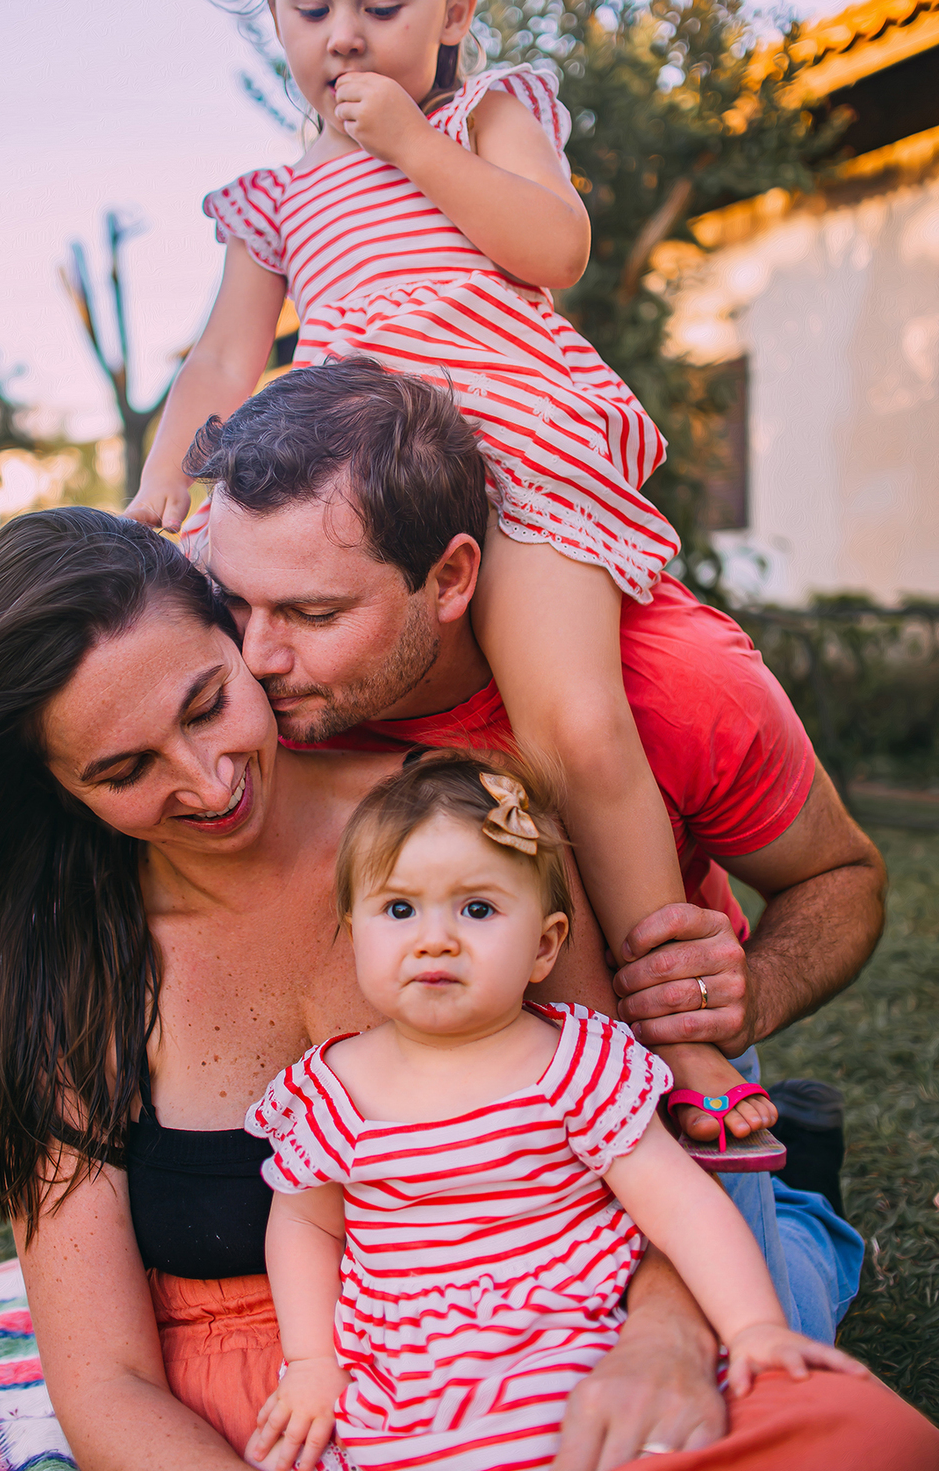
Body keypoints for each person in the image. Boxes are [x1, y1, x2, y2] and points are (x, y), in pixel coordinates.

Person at [0, 510, 933, 1471]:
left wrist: (669, 1339)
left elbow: (630, 1136)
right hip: (273, 1440)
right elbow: (103, 1389)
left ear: (242, 640)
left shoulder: (463, 824)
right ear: (60, 791)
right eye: (124, 771)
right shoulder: (66, 959)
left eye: (208, 703)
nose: (207, 781)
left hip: (558, 1338)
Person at [126, 0, 777, 1163]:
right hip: (358, 478)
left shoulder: (485, 115)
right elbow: (220, 362)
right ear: (277, 16)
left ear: (456, 13)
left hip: (518, 445)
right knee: (221, 674)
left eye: (385, 3)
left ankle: (685, 1033)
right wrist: (153, 487)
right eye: (314, 8)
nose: (347, 34)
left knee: (576, 723)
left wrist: (415, 140)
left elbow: (557, 248)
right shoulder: (279, 194)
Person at [187, 359, 881, 1341]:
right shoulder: (246, 687)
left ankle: (806, 1209)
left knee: (743, 1351)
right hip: (404, 1056)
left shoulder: (676, 685)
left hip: (653, 1066)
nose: (257, 657)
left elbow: (841, 877)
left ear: (452, 577)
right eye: (236, 602)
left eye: (313, 614)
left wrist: (750, 994)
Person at [246, 755, 867, 1471]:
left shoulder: (573, 1065)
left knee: (605, 1460)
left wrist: (752, 1328)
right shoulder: (330, 1087)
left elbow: (678, 1204)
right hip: (406, 1369)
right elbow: (306, 1224)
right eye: (399, 911)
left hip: (563, 1328)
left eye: (476, 909)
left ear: (545, 948)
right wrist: (311, 1363)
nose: (434, 941)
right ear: (352, 935)